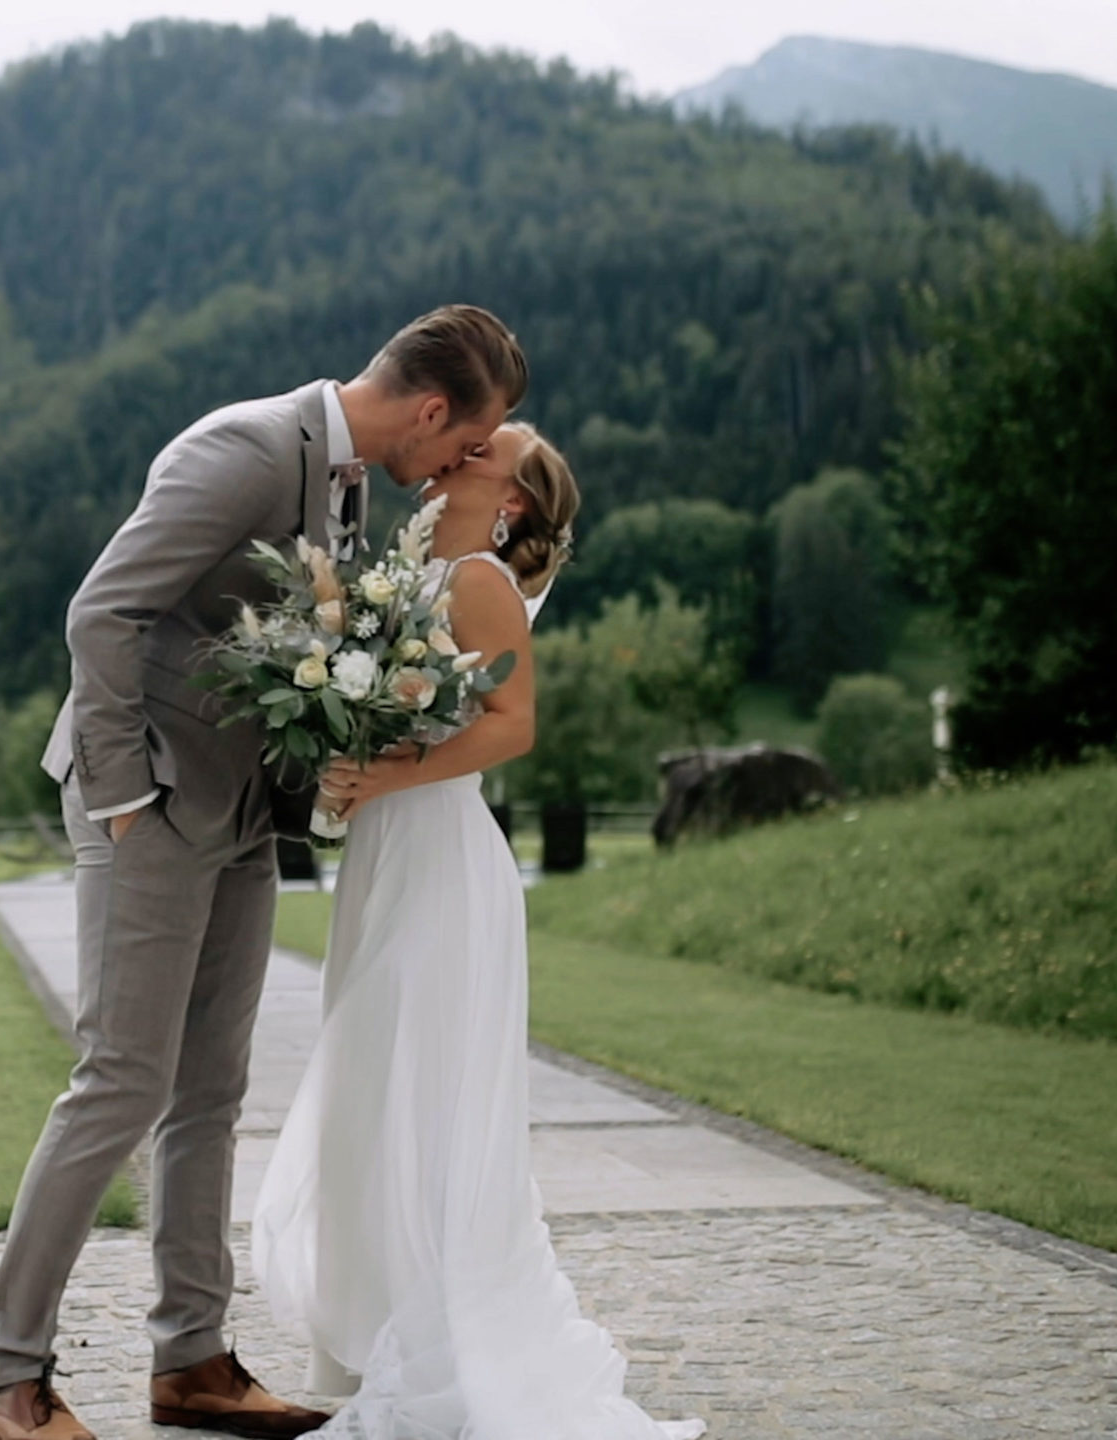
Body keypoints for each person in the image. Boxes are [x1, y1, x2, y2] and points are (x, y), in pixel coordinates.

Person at [0, 306, 531, 1440]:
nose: (460, 467)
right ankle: (7, 1380)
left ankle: (191, 1363)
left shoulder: (346, 479)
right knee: (121, 1081)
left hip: (237, 814)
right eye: (468, 442)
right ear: (431, 412)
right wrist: (126, 797)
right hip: (154, 802)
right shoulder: (244, 447)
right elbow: (104, 610)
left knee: (211, 1093)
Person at [254, 423, 707, 1438]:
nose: (461, 452)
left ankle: (449, 1346)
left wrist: (384, 775)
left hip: (444, 859)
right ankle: (389, 1333)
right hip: (388, 850)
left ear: (510, 502)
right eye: (464, 442)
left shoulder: (479, 580)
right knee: (377, 1084)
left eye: (485, 452)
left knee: (429, 1096)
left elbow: (512, 723)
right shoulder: (409, 567)